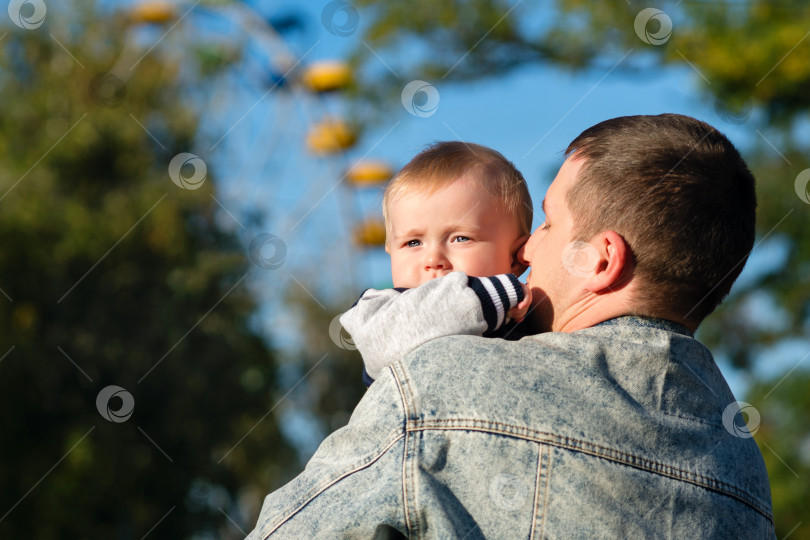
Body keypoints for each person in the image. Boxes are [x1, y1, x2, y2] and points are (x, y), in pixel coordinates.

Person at [246, 114, 774, 539]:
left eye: (546, 221)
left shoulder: (441, 383)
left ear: (600, 259)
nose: (526, 249)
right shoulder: (744, 465)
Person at [340, 141, 537, 386]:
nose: (433, 259)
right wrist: (492, 295)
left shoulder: (534, 317)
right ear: (390, 251)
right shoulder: (379, 310)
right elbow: (387, 340)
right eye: (413, 243)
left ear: (518, 255)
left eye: (460, 238)